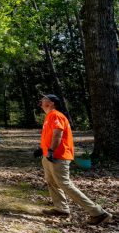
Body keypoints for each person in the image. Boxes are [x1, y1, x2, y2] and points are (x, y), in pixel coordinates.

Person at [36, 94, 111, 225]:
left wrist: (51, 151)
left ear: (52, 103)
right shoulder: (49, 116)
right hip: (49, 155)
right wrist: (42, 149)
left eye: (45, 98)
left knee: (65, 184)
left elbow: (58, 134)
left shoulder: (56, 115)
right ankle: (61, 209)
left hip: (58, 156)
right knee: (51, 181)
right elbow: (50, 135)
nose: (41, 100)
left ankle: (98, 212)